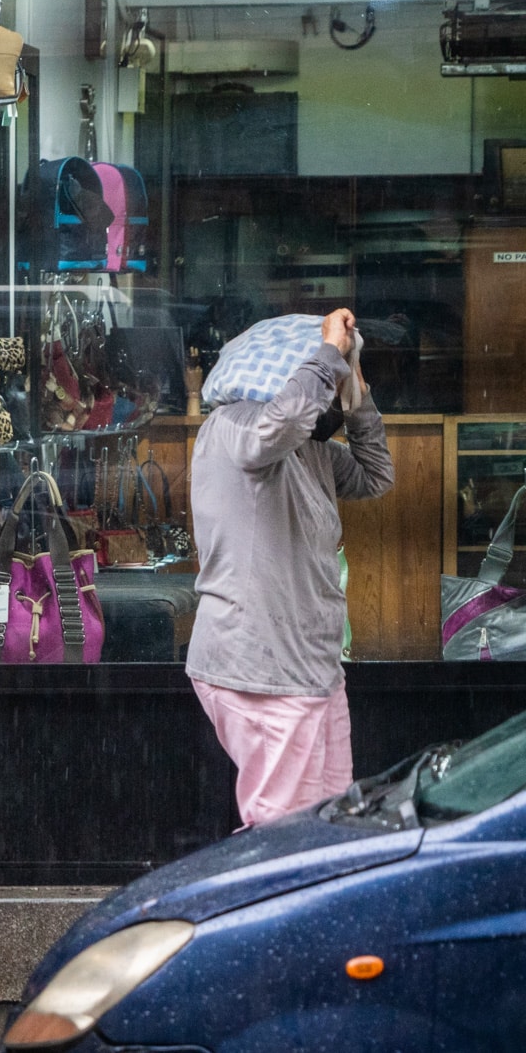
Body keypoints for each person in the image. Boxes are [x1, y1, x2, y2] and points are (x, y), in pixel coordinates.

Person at [186, 308, 394, 828]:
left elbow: (376, 476)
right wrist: (326, 356)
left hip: (312, 669)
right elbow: (274, 429)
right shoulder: (232, 427)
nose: (330, 396)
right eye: (326, 379)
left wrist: (359, 393)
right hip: (263, 667)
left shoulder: (310, 450)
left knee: (330, 825)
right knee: (283, 834)